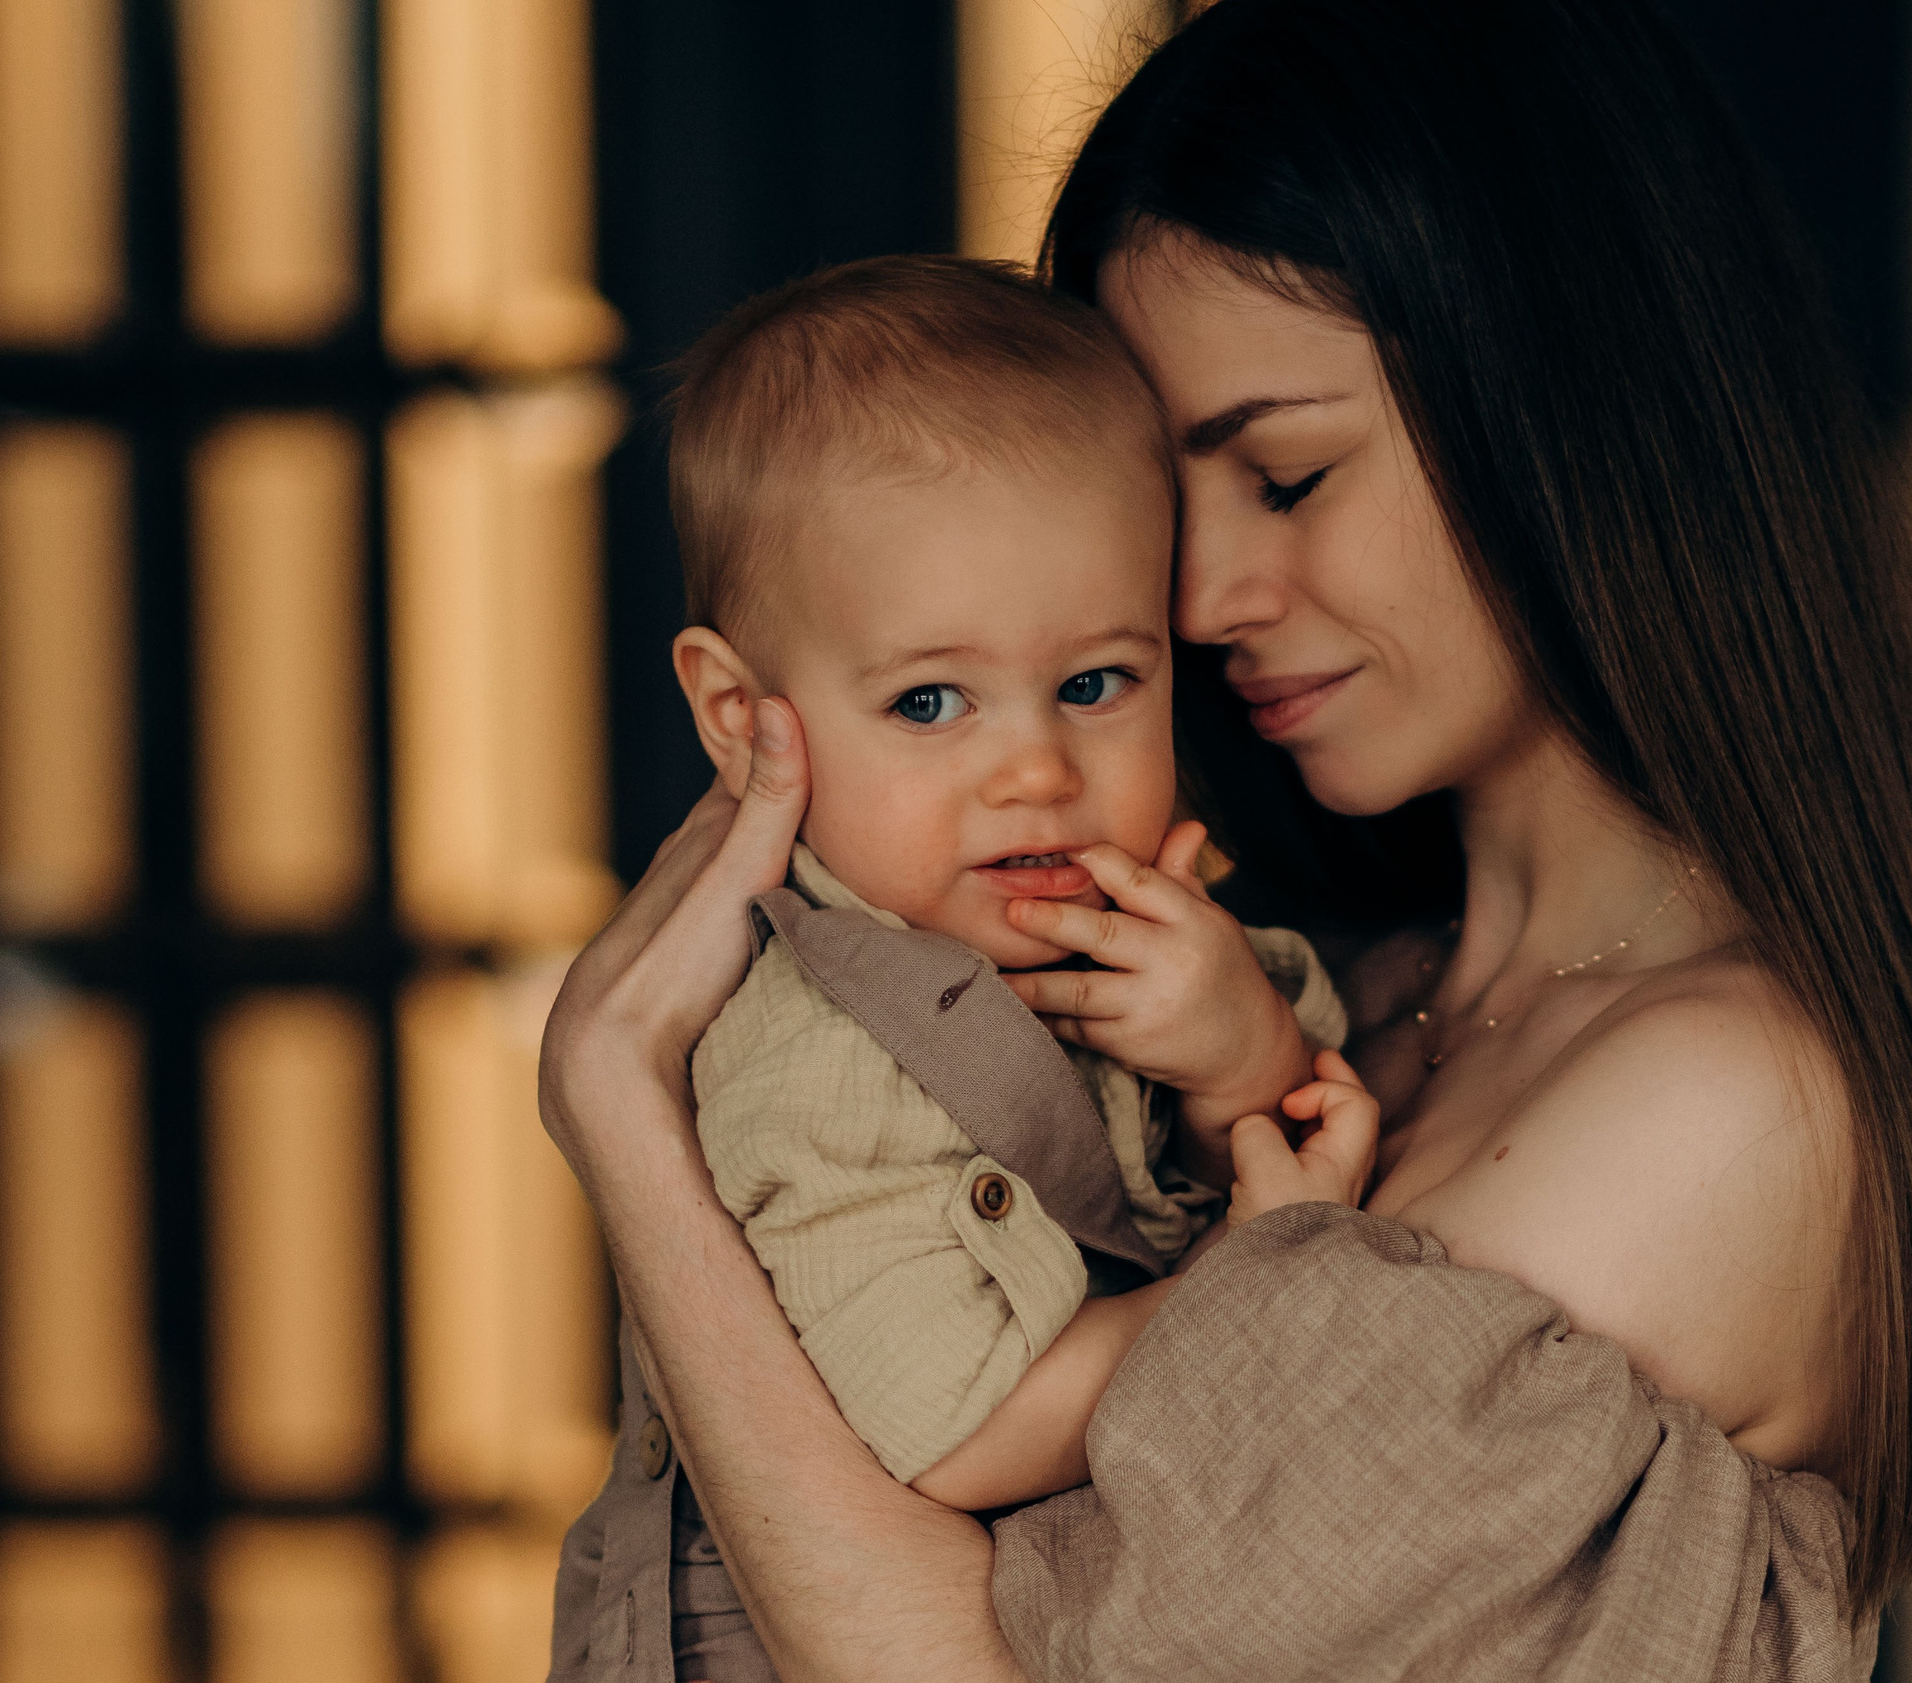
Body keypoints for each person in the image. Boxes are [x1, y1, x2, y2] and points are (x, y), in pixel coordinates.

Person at [538, 0, 1912, 1678]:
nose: (1195, 595)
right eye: (1164, 510)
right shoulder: (1339, 984)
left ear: (1560, 409)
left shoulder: (1717, 1107)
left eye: (1284, 478)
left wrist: (626, 1123)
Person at [545, 256, 1385, 1682]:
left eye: (1096, 683)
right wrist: (1249, 1289)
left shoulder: (1120, 924)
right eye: (932, 701)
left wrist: (1237, 1054)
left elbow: (1239, 1147)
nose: (1038, 770)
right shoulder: (813, 1051)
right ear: (743, 717)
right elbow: (949, 1430)